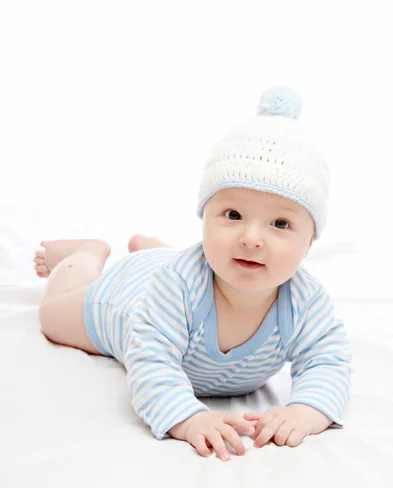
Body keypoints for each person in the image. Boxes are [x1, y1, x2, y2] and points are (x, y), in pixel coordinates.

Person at [33, 85, 352, 462]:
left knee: (199, 259)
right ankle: (86, 254)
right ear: (205, 217)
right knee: (51, 316)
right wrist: (187, 417)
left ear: (311, 240)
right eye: (232, 216)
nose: (251, 238)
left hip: (179, 263)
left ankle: (155, 247)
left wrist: (306, 411)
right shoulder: (175, 288)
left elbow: (328, 361)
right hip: (128, 295)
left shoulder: (304, 300)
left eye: (280, 223)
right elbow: (152, 362)